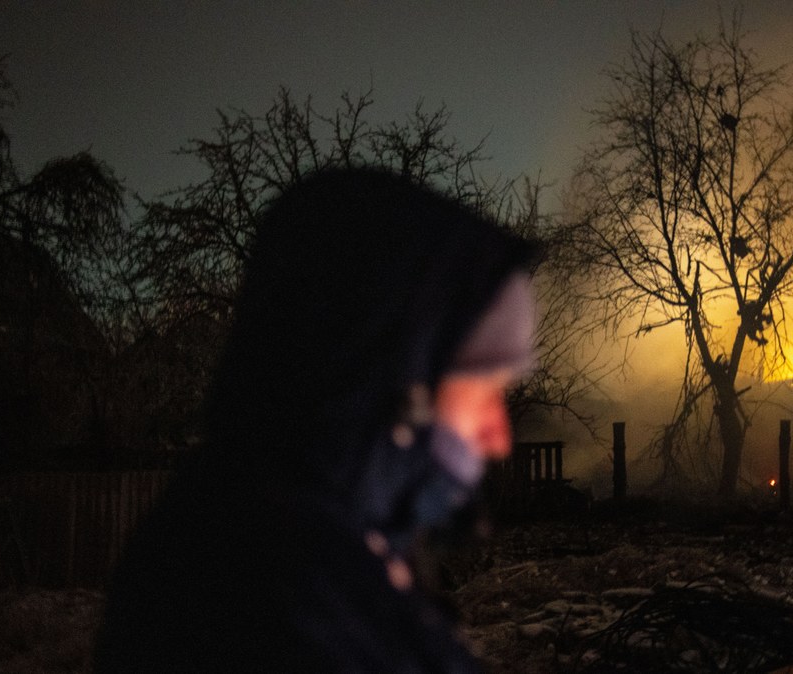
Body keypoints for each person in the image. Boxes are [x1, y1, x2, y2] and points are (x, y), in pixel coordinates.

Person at [95, 167, 536, 673]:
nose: (500, 437)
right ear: (397, 383)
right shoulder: (261, 602)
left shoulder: (319, 551)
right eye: (486, 391)